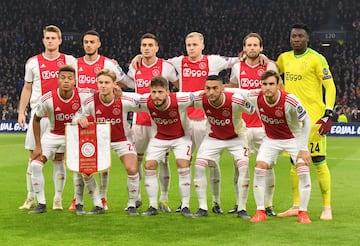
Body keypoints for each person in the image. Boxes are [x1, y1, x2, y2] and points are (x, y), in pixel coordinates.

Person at [132, 32, 241, 213]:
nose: (191, 48)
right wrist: (139, 56)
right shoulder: (178, 62)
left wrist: (254, 56)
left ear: (202, 46)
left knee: (211, 161)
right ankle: (185, 203)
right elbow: (155, 60)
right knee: (184, 162)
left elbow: (236, 61)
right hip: (185, 119)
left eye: (194, 44)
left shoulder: (213, 61)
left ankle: (216, 202)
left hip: (205, 119)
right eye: (188, 45)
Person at [68, 30, 135, 211]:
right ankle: (77, 199)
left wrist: (120, 86)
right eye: (85, 42)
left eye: (92, 42)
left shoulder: (108, 64)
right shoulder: (75, 63)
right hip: (83, 117)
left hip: (105, 115)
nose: (88, 45)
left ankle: (102, 198)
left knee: (103, 164)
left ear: (99, 44)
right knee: (81, 162)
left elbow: (129, 82)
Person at [276, 23, 336, 220]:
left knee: (318, 162)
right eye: (293, 36)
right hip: (293, 122)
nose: (296, 39)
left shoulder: (317, 59)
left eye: (300, 36)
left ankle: (326, 207)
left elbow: (330, 86)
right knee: (295, 163)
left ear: (307, 38)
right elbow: (270, 73)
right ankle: (296, 205)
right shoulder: (284, 59)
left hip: (314, 120)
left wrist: (328, 113)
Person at [18, 25, 76, 210]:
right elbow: (27, 88)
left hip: (62, 117)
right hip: (39, 115)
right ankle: (30, 197)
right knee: (33, 155)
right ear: (43, 40)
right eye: (47, 38)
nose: (50, 41)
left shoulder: (69, 60)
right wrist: (21, 111)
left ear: (60, 40)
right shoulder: (33, 62)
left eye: (53, 38)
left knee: (59, 158)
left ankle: (57, 199)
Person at [243, 70, 313, 224]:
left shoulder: (290, 100)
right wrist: (220, 89)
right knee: (260, 167)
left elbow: (307, 120)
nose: (267, 88)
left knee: (302, 168)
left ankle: (303, 212)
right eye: (265, 84)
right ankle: (260, 211)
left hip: (293, 138)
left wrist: (304, 148)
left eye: (271, 84)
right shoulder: (256, 96)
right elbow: (237, 91)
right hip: (271, 139)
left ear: (278, 85)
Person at [28, 65, 93, 214]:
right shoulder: (47, 98)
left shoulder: (83, 94)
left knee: (78, 169)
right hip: (52, 135)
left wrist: (115, 90)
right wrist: (38, 145)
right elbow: (36, 119)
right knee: (36, 166)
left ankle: (70, 202)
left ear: (75, 81)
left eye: (70, 78)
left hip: (72, 135)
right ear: (57, 80)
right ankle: (42, 204)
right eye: (63, 78)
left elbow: (100, 95)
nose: (66, 81)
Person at [74, 69, 141, 216]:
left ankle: (131, 204)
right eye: (100, 82)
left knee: (132, 168)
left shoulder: (123, 99)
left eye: (106, 83)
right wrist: (80, 119)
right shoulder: (91, 101)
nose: (103, 86)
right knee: (86, 171)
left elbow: (145, 102)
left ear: (114, 84)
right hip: (100, 141)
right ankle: (98, 204)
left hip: (122, 139)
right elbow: (77, 115)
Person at [126, 76, 194, 217]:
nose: (156, 96)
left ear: (167, 91)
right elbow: (130, 97)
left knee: (182, 163)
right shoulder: (146, 101)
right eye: (154, 92)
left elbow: (201, 95)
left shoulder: (180, 99)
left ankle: (185, 206)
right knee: (149, 165)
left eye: (160, 92)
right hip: (160, 137)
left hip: (181, 137)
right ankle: (153, 206)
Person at [226, 33, 278, 216]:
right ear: (244, 48)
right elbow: (232, 89)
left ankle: (268, 205)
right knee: (239, 165)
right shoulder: (237, 67)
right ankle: (239, 204)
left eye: (255, 45)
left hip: (264, 126)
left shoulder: (269, 66)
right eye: (249, 45)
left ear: (261, 47)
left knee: (268, 166)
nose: (252, 48)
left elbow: (277, 89)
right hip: (242, 126)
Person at [127, 33, 179, 212]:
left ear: (157, 48)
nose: (147, 48)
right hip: (140, 121)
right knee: (138, 159)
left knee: (163, 161)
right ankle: (138, 197)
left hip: (160, 122)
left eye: (150, 45)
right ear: (140, 48)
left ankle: (163, 199)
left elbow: (180, 86)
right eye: (144, 45)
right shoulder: (134, 67)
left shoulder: (166, 66)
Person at [192, 75, 255, 219]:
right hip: (214, 137)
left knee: (243, 166)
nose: (211, 92)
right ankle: (203, 207)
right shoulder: (200, 99)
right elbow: (180, 100)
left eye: (215, 88)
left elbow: (251, 110)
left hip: (237, 137)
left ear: (222, 88)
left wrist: (241, 96)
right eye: (208, 88)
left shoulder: (235, 100)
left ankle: (242, 208)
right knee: (200, 165)